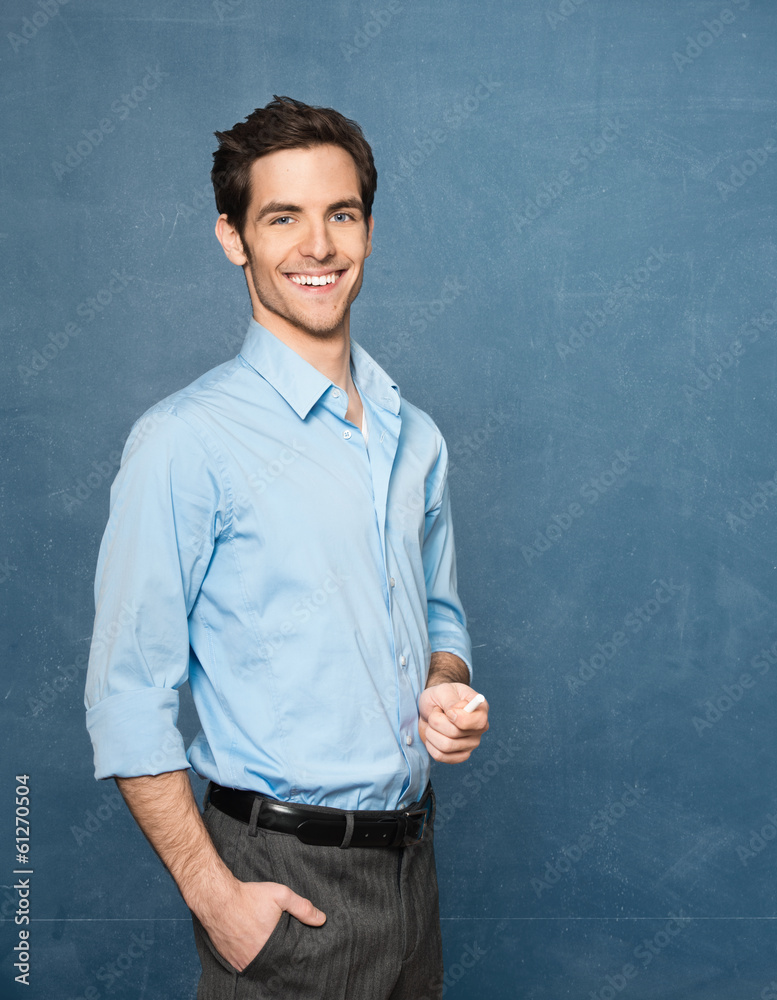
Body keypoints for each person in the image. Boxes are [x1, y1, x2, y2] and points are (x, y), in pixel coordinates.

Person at [84, 95, 488, 999]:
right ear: (233, 238)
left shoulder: (416, 436)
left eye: (340, 214)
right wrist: (215, 897)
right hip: (280, 883)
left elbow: (441, 617)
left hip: (413, 871)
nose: (318, 246)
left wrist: (444, 687)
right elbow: (125, 695)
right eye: (282, 218)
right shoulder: (183, 441)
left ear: (369, 231)